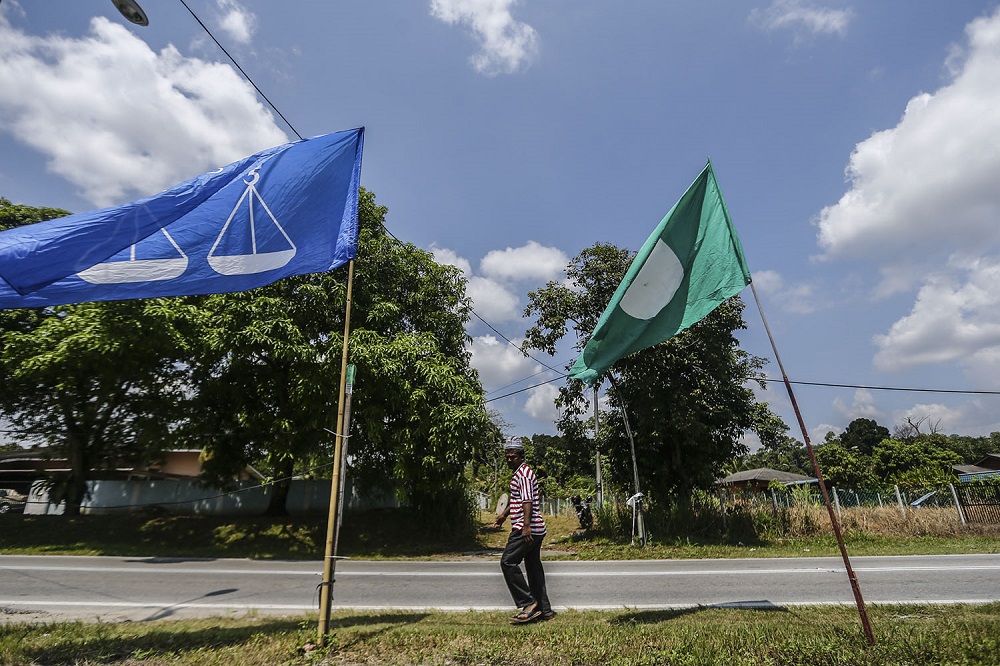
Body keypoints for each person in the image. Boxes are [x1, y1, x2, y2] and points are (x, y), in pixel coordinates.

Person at [492, 439, 554, 624]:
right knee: (533, 569)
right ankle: (545, 611)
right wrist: (504, 515)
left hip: (526, 529)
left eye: (513, 457)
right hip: (533, 528)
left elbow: (527, 501)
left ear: (521, 457)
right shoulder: (519, 473)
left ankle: (528, 603)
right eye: (507, 457)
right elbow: (517, 499)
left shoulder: (524, 474)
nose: (510, 460)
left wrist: (526, 526)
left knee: (508, 562)